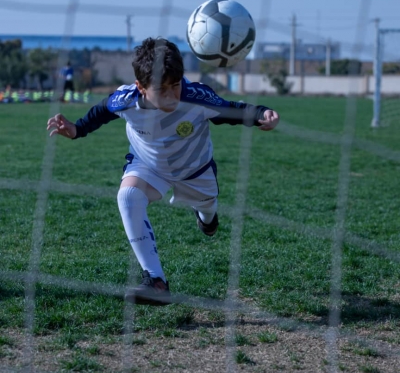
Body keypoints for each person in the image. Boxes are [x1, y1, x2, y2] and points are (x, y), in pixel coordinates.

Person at [47, 37, 280, 306]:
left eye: (176, 85)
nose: (171, 95)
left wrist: (262, 113)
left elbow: (233, 110)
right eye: (162, 88)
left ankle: (206, 216)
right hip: (148, 164)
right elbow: (101, 110)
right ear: (141, 87)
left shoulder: (196, 98)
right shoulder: (126, 100)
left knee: (208, 216)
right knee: (128, 197)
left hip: (195, 169)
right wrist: (77, 129)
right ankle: (156, 282)